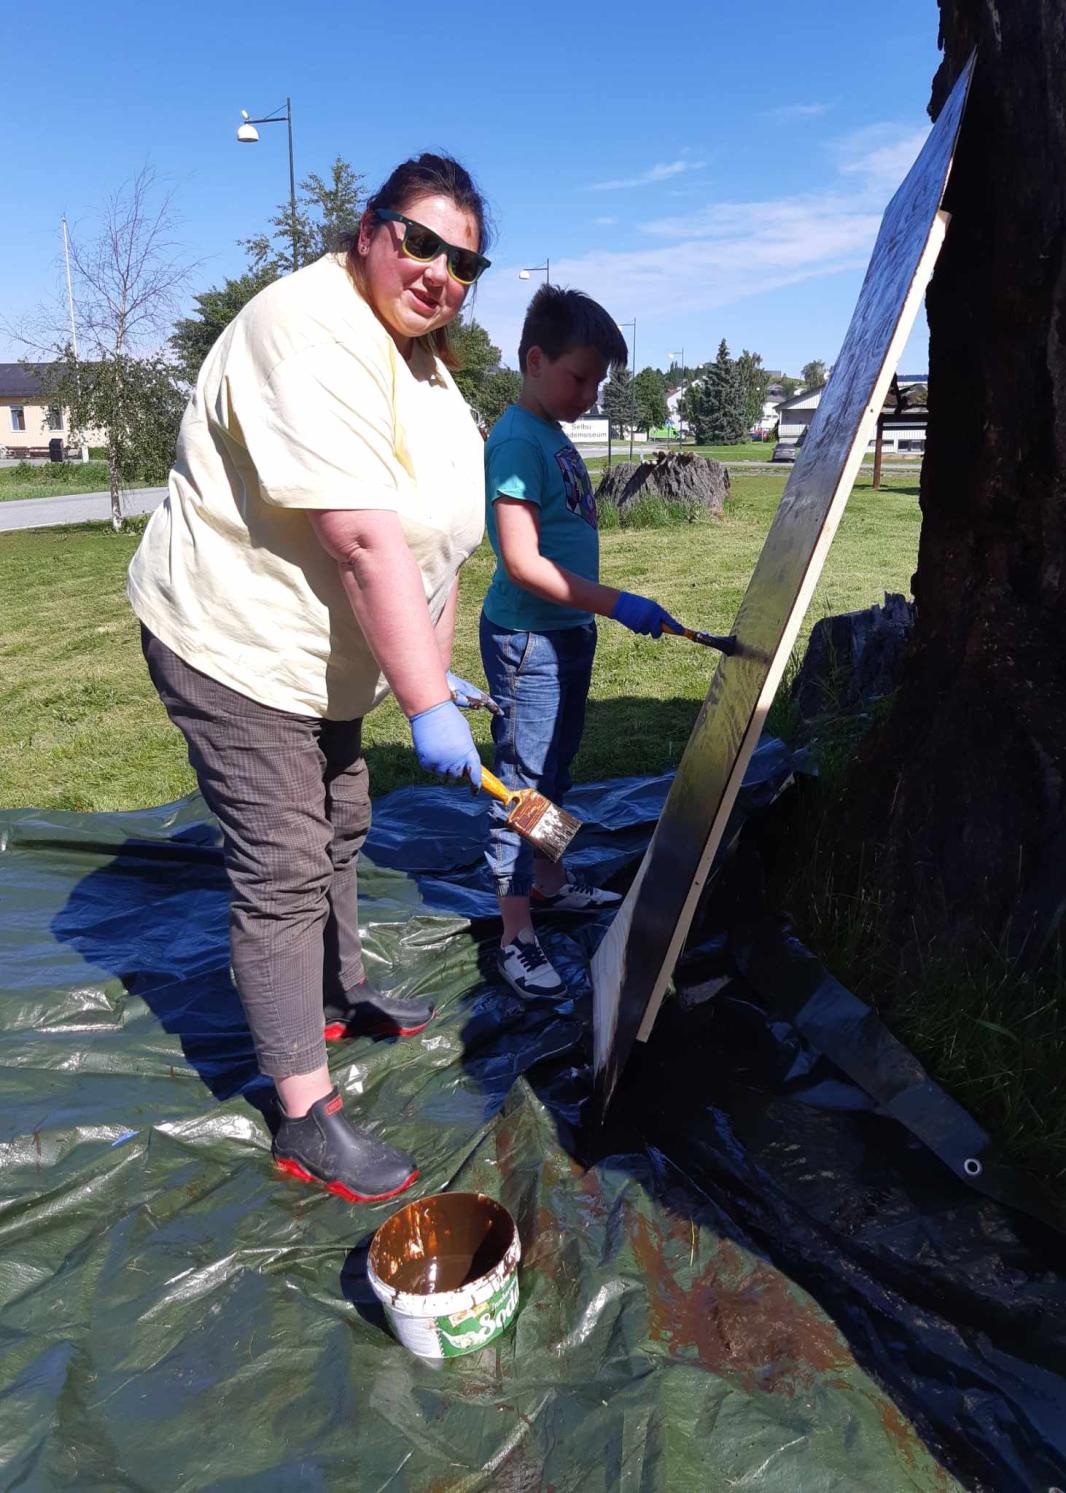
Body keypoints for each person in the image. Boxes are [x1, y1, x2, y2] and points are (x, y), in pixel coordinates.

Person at [127, 153, 493, 1203]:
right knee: (285, 863)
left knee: (342, 816)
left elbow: (435, 540)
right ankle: (303, 1112)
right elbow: (363, 538)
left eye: (463, 260)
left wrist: (434, 665)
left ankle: (339, 993)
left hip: (324, 654)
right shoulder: (306, 326)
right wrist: (419, 699)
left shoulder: (421, 362)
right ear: (369, 230)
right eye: (419, 241)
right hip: (236, 642)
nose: (438, 271)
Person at [480, 285, 683, 998]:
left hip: (567, 635)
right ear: (535, 360)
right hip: (528, 643)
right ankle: (516, 933)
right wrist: (619, 602)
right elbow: (522, 563)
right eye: (580, 376)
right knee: (521, 783)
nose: (591, 393)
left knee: (555, 774)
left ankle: (551, 884)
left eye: (599, 380)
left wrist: (596, 614)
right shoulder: (514, 439)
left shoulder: (554, 435)